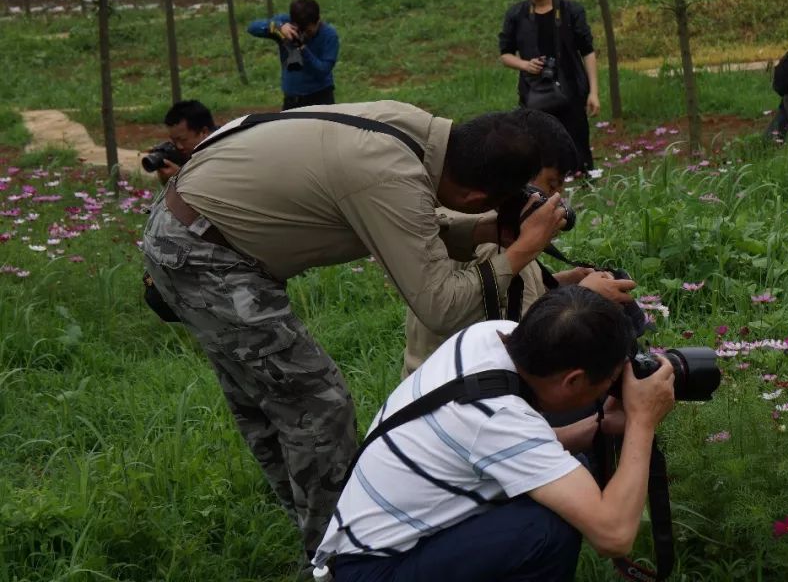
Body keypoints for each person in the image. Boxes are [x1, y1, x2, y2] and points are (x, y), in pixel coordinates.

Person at [141, 101, 569, 557]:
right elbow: (441, 307)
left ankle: (322, 533)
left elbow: (412, 219)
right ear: (475, 196)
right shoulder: (388, 174)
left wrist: (486, 230)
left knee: (275, 403)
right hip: (204, 254)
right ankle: (345, 554)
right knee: (317, 406)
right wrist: (522, 250)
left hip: (193, 228)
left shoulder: (414, 132)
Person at [315, 285, 676, 582]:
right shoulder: (495, 418)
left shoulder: (488, 335)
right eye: (612, 380)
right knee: (547, 528)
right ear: (574, 379)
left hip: (375, 541)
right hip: (374, 571)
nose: (613, 389)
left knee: (569, 474)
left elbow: (503, 449)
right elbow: (614, 535)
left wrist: (598, 426)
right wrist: (642, 422)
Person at [402, 109, 634, 376]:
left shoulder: (483, 223)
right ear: (521, 182)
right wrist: (584, 298)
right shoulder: (495, 243)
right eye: (552, 185)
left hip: (432, 378)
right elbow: (526, 347)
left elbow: (497, 299)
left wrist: (560, 283)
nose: (558, 200)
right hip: (460, 393)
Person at [499, 0, 599, 174]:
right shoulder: (516, 14)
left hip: (571, 89)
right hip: (534, 92)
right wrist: (525, 65)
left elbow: (588, 51)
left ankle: (584, 185)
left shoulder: (571, 11)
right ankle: (545, 191)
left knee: (578, 143)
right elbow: (505, 54)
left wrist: (594, 92)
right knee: (538, 144)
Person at [248, 0, 339, 110]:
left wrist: (304, 50)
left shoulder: (329, 36)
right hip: (292, 100)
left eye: (309, 31)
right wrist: (278, 27)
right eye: (300, 31)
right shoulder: (285, 24)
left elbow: (323, 70)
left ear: (318, 20)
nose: (304, 35)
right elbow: (252, 28)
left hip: (320, 98)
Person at [151, 99, 217, 184]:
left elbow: (211, 189)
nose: (179, 146)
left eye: (183, 140)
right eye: (174, 140)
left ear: (204, 132)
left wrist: (180, 177)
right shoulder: (193, 150)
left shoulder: (223, 153)